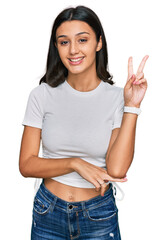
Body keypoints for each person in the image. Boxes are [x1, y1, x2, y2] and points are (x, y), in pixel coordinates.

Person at [19, 5, 149, 240]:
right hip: (48, 212)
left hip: (97, 215)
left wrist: (132, 106)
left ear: (98, 43)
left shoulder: (117, 98)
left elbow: (117, 169)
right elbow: (26, 165)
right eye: (64, 42)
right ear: (56, 47)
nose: (73, 50)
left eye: (82, 40)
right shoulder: (41, 95)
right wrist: (75, 163)